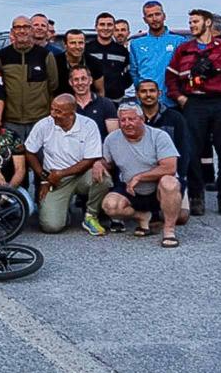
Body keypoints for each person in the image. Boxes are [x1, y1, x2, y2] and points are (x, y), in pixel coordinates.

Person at [165, 8, 221, 217]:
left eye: (195, 22)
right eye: (191, 22)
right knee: (193, 152)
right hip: (194, 104)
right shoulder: (184, 50)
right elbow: (171, 78)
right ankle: (196, 196)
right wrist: (181, 98)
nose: (192, 25)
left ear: (208, 23)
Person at [100, 102, 183, 247]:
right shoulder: (111, 139)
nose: (127, 124)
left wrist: (139, 177)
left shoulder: (159, 136)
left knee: (170, 183)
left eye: (132, 119)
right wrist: (97, 164)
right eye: (123, 120)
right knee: (110, 206)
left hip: (158, 189)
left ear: (142, 119)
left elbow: (170, 167)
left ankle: (169, 231)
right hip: (130, 189)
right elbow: (107, 163)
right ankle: (143, 217)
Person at [25, 95, 110, 235]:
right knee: (51, 226)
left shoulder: (89, 125)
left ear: (71, 113)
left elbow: (90, 158)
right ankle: (64, 213)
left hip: (81, 175)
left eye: (58, 111)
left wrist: (61, 173)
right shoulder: (44, 124)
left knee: (103, 178)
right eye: (52, 109)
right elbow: (29, 151)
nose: (53, 114)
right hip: (54, 179)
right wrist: (44, 176)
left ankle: (91, 216)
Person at [0, 15, 60, 142]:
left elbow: (53, 85)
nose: (22, 30)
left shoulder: (45, 55)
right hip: (11, 120)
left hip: (39, 119)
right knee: (15, 159)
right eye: (17, 27)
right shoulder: (2, 55)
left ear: (31, 30)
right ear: (12, 31)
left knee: (39, 159)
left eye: (26, 27)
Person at [130, 1, 187, 106]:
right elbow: (134, 72)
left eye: (157, 14)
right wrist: (144, 92)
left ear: (164, 16)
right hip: (146, 103)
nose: (154, 18)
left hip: (172, 102)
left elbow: (184, 70)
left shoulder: (179, 41)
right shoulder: (136, 44)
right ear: (145, 19)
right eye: (150, 16)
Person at [86, 12, 131, 100]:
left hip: (116, 100)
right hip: (91, 100)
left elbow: (129, 74)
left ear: (114, 28)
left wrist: (119, 87)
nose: (106, 28)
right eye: (102, 25)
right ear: (96, 27)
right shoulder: (87, 49)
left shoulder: (122, 51)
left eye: (109, 25)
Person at [70, 65, 118, 138]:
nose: (80, 83)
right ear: (70, 82)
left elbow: (114, 137)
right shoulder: (67, 106)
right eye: (76, 79)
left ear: (90, 80)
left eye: (83, 79)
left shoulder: (106, 104)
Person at [54, 29, 90, 97]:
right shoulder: (55, 62)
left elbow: (100, 90)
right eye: (73, 43)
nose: (77, 46)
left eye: (81, 43)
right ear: (65, 44)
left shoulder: (94, 63)